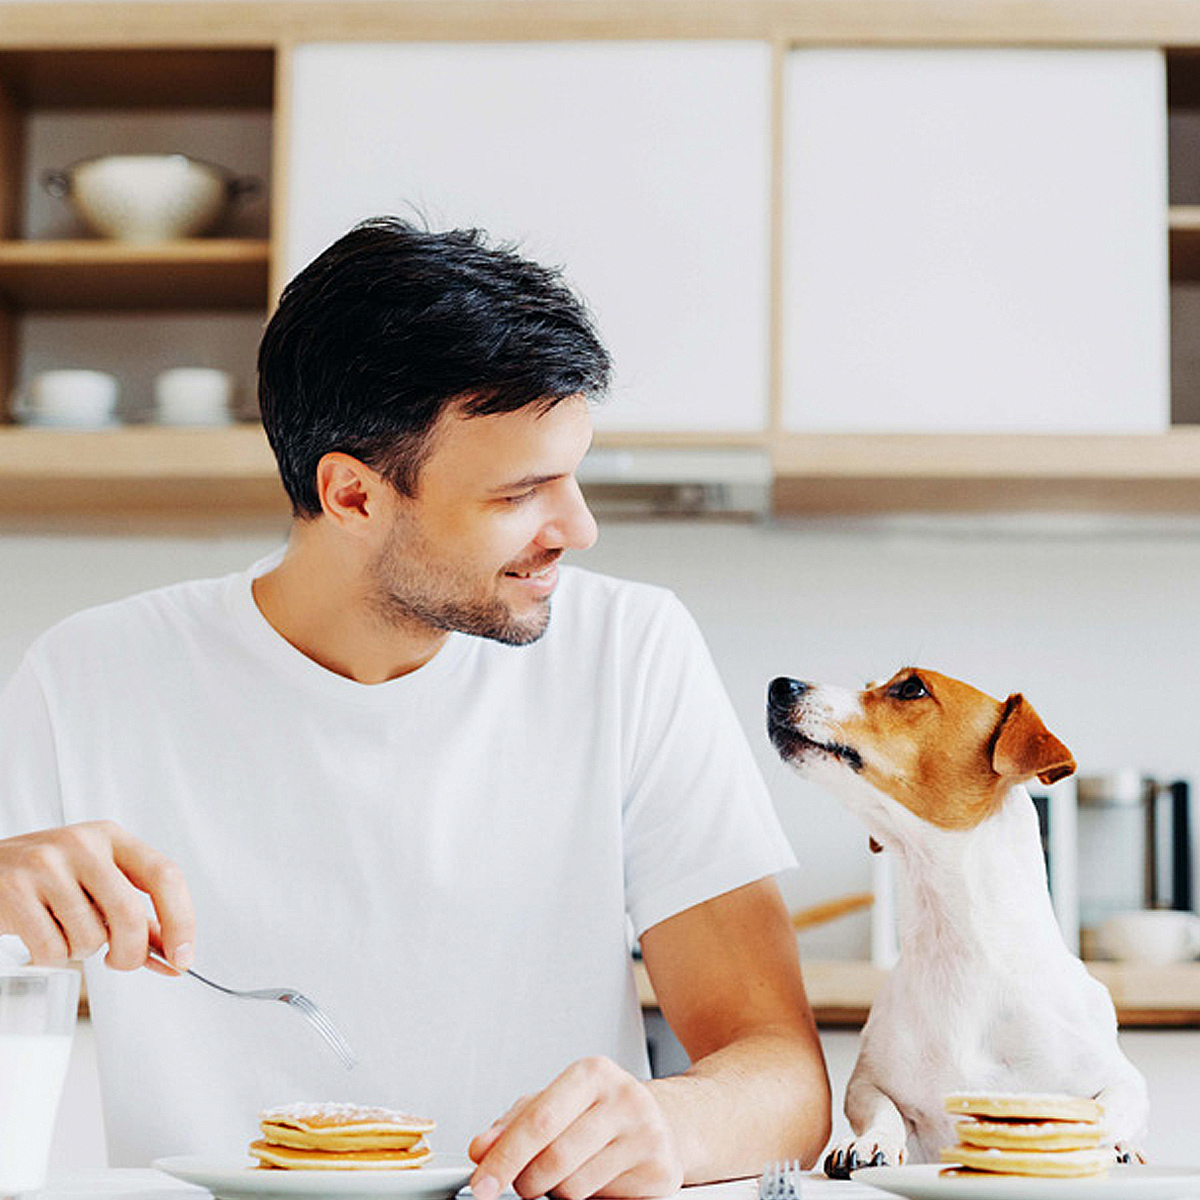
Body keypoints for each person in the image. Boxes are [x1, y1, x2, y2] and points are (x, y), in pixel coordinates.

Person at [0, 217, 831, 1195]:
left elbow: (780, 1074)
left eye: (575, 475)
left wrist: (671, 1125)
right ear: (352, 496)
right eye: (521, 493)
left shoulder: (628, 652)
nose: (580, 528)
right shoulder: (89, 678)